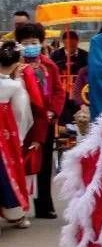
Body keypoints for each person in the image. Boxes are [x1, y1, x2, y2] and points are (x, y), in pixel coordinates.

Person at [14, 22, 64, 219]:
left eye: (34, 42)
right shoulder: (14, 65)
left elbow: (59, 91)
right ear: (18, 44)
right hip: (21, 121)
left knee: (43, 165)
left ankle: (44, 204)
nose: (30, 46)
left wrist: (53, 111)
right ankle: (18, 207)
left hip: (45, 120)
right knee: (20, 162)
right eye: (25, 43)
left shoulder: (48, 64)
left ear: (41, 42)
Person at [0, 41, 33, 232]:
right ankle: (15, 214)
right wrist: (19, 136)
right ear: (16, 63)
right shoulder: (14, 85)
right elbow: (21, 113)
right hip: (4, 131)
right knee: (8, 170)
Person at [50, 30, 88, 125]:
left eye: (73, 45)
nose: (71, 47)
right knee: (63, 113)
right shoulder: (55, 55)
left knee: (79, 113)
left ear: (77, 42)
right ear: (63, 42)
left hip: (79, 90)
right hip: (62, 89)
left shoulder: (85, 55)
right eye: (68, 44)